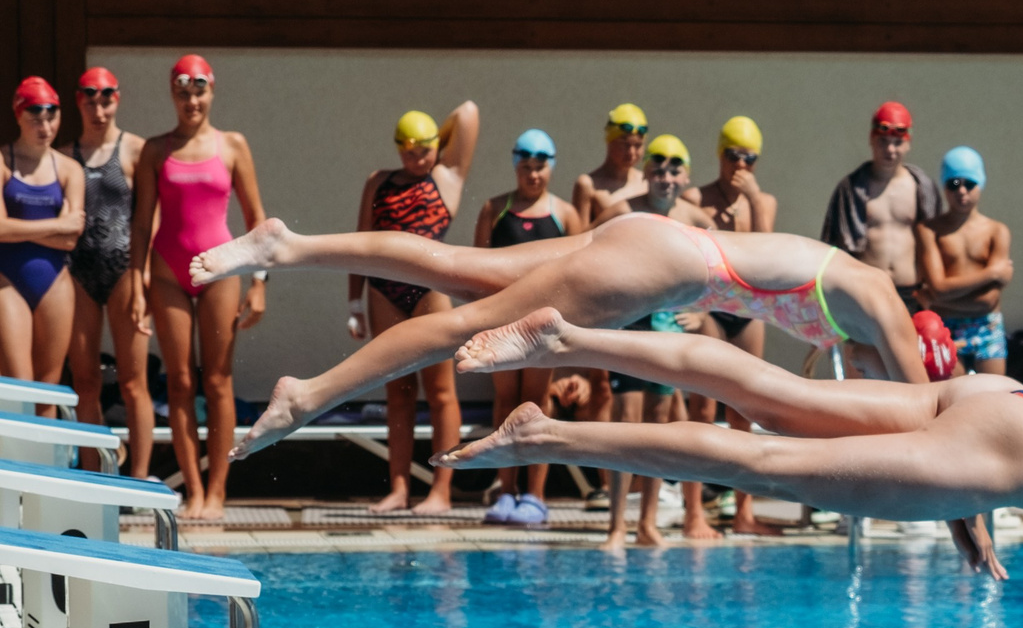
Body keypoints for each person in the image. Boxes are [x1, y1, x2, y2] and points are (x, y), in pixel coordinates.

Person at [432, 304, 1023, 579]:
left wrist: (965, 509)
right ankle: (551, 434)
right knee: (764, 458)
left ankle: (567, 337)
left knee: (779, 397)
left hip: (1010, 406)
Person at [197, 188, 930, 459]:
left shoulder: (854, 300)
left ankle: (286, 246)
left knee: (456, 267)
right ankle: (309, 394)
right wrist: (972, 523)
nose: (863, 385)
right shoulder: (882, 303)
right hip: (663, 268)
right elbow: (930, 422)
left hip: (651, 245)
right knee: (466, 325)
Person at [123, 54, 268, 520]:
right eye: (183, 92)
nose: (192, 101)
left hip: (220, 270)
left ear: (212, 91)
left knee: (219, 382)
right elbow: (142, 223)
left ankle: (219, 492)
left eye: (199, 91)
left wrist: (260, 281)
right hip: (167, 273)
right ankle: (194, 491)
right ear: (172, 93)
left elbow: (256, 220)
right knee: (181, 383)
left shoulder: (233, 146)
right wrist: (135, 283)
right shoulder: (154, 150)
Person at [349, 102, 480, 515]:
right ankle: (399, 489)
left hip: (429, 293)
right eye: (409, 151)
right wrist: (354, 301)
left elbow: (469, 113)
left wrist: (435, 141)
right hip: (383, 292)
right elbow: (360, 242)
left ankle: (441, 491)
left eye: (424, 150)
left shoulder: (447, 178)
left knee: (441, 393)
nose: (417, 159)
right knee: (398, 394)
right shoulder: (379, 181)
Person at [597, 135, 717, 547]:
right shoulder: (621, 213)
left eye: (674, 168)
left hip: (668, 331)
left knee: (659, 429)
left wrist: (702, 313)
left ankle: (647, 524)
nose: (666, 176)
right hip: (631, 327)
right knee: (626, 425)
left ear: (686, 176)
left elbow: (720, 272)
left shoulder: (696, 220)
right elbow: (586, 260)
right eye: (658, 167)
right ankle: (616, 525)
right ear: (646, 172)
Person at [473, 127, 587, 525]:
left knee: (537, 405)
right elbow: (475, 271)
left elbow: (581, 277)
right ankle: (506, 492)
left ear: (551, 168)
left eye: (540, 167)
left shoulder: (566, 214)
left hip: (545, 326)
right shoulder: (494, 209)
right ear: (515, 165)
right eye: (526, 166)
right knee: (505, 403)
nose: (533, 175)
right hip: (504, 323)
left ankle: (536, 495)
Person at [694, 115, 783, 536]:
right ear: (720, 155)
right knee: (701, 408)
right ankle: (694, 512)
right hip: (710, 309)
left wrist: (754, 202)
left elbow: (769, 258)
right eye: (734, 156)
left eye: (750, 158)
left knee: (746, 409)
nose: (741, 166)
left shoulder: (764, 203)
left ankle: (744, 511)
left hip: (746, 313)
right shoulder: (698, 199)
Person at [64, 67, 152, 475]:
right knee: (84, 383)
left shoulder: (135, 150)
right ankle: (90, 475)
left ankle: (138, 480)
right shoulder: (65, 156)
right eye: (90, 99)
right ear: (79, 101)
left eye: (106, 99)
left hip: (123, 272)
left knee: (134, 384)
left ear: (118, 99)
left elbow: (150, 218)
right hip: (78, 273)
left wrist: (142, 275)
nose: (98, 108)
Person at [0, 77, 84, 387]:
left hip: (55, 283)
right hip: (6, 279)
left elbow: (70, 238)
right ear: (18, 116)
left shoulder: (69, 170)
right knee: (19, 386)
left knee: (48, 389)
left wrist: (13, 229)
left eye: (52, 116)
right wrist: (57, 225)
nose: (45, 126)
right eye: (35, 117)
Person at [822, 101, 943, 308]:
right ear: (871, 139)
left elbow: (938, 242)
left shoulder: (922, 188)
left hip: (911, 293)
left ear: (908, 143)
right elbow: (831, 248)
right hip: (866, 291)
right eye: (883, 141)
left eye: (897, 143)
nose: (890, 149)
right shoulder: (851, 189)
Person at [918, 146, 1012, 375]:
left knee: (992, 399)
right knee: (953, 399)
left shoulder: (996, 231)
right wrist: (991, 273)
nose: (962, 191)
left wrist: (936, 300)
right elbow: (938, 288)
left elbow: (988, 301)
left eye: (969, 183)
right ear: (944, 187)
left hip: (986, 326)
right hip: (947, 327)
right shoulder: (929, 230)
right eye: (954, 184)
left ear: (980, 184)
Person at [573, 103, 655, 227]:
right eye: (625, 145)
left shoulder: (646, 181)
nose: (631, 152)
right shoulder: (588, 185)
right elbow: (577, 238)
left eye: (638, 145)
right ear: (610, 142)